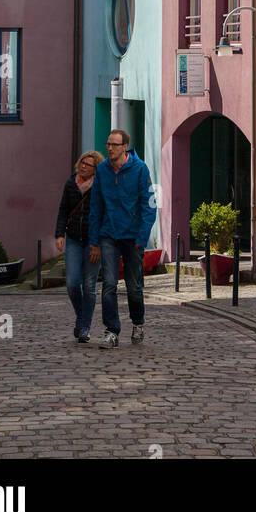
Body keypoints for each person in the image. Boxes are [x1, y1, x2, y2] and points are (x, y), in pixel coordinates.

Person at [88, 130, 156, 349]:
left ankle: (138, 323)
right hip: (108, 234)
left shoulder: (140, 169)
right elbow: (96, 206)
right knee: (108, 284)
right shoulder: (102, 170)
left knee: (133, 286)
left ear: (125, 146)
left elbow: (149, 205)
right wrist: (94, 240)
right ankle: (112, 331)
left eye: (115, 145)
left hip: (133, 236)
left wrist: (141, 237)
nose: (110, 148)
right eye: (108, 144)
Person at [55, 149, 104, 343]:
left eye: (88, 164)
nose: (83, 166)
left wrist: (98, 244)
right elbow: (63, 209)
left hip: (93, 241)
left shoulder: (100, 186)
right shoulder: (70, 183)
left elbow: (103, 215)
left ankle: (84, 327)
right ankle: (82, 317)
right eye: (82, 163)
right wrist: (59, 234)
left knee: (90, 286)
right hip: (74, 239)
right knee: (72, 283)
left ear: (95, 169)